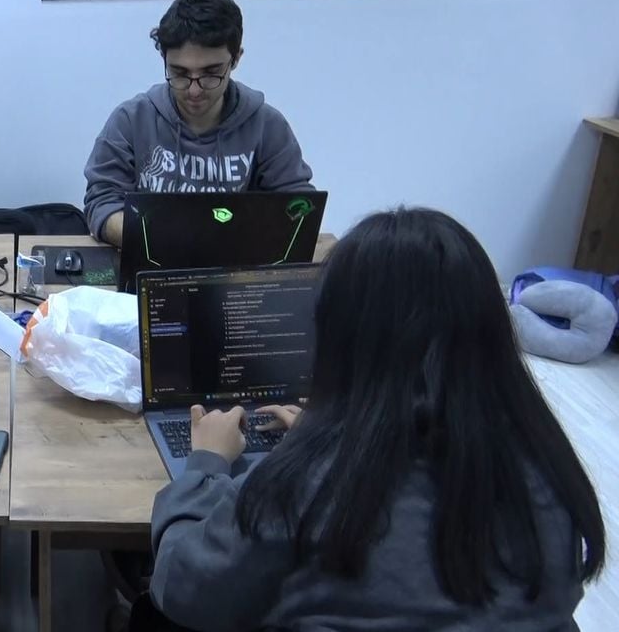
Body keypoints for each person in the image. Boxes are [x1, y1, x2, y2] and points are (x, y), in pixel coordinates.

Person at [150, 208, 606, 631]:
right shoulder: (549, 473)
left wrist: (206, 463)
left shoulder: (302, 483)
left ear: (337, 337)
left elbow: (183, 590)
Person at [83, 0, 314, 246]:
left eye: (211, 73)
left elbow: (300, 206)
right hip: (152, 259)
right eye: (180, 73)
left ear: (235, 59)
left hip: (235, 263)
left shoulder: (267, 126)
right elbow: (102, 204)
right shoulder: (130, 121)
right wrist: (165, 241)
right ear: (164, 59)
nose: (194, 90)